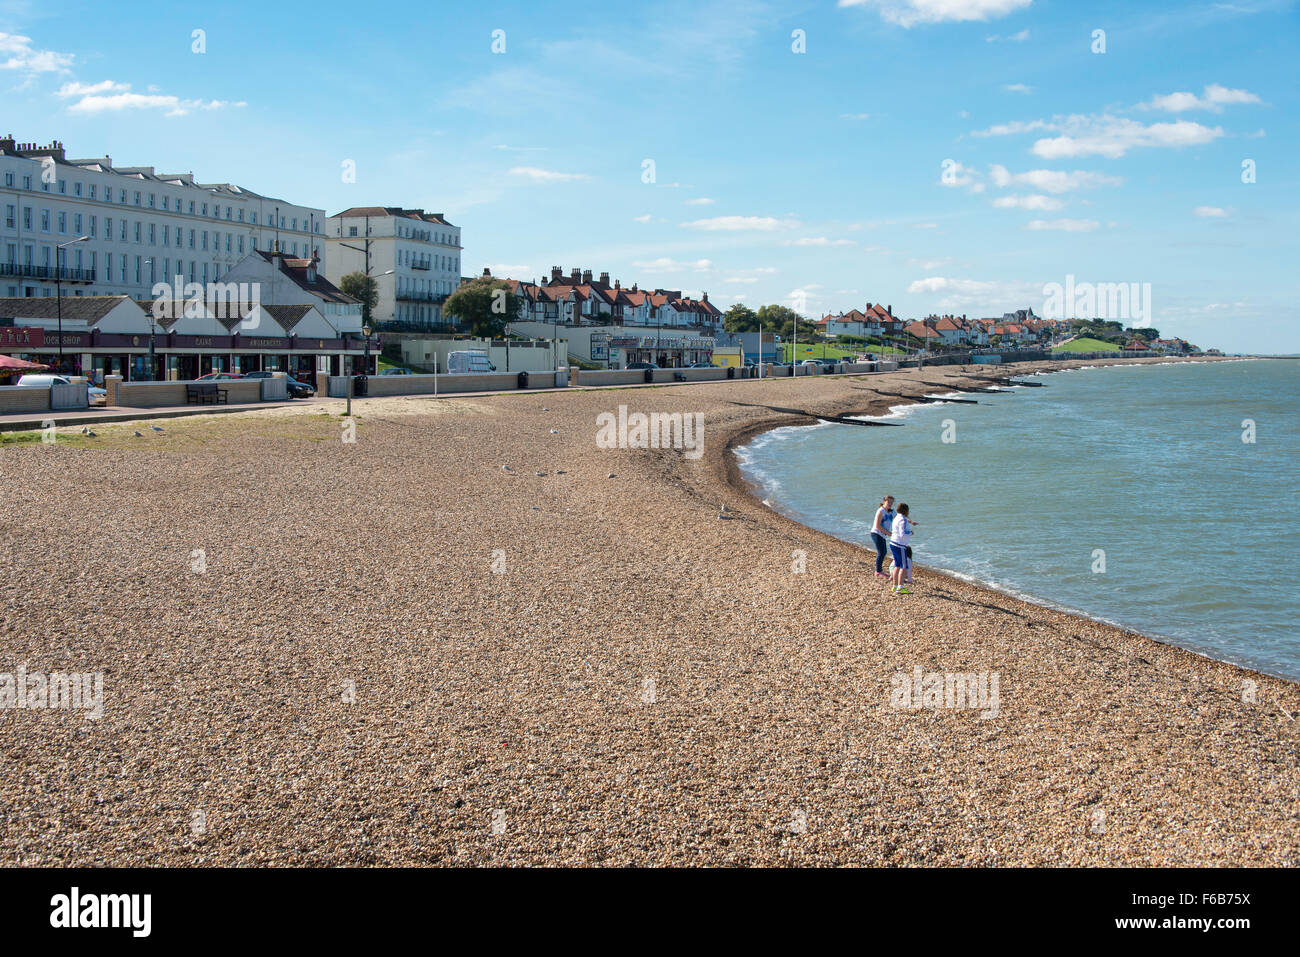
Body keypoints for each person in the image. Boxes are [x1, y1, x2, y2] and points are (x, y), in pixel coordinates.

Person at [889, 503, 914, 594]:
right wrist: (910, 533)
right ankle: (900, 586)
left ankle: (894, 586)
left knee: (897, 565)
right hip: (900, 545)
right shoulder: (903, 520)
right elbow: (902, 533)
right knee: (903, 567)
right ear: (905, 511)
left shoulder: (896, 518)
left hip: (893, 543)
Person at [870, 495, 895, 579]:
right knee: (882, 552)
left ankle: (879, 570)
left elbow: (899, 517)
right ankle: (878, 571)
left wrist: (910, 521)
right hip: (876, 533)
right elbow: (877, 525)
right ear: (884, 501)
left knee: (883, 552)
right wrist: (888, 533)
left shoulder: (891, 512)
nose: (890, 504)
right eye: (888, 502)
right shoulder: (881, 511)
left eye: (891, 502)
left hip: (882, 535)